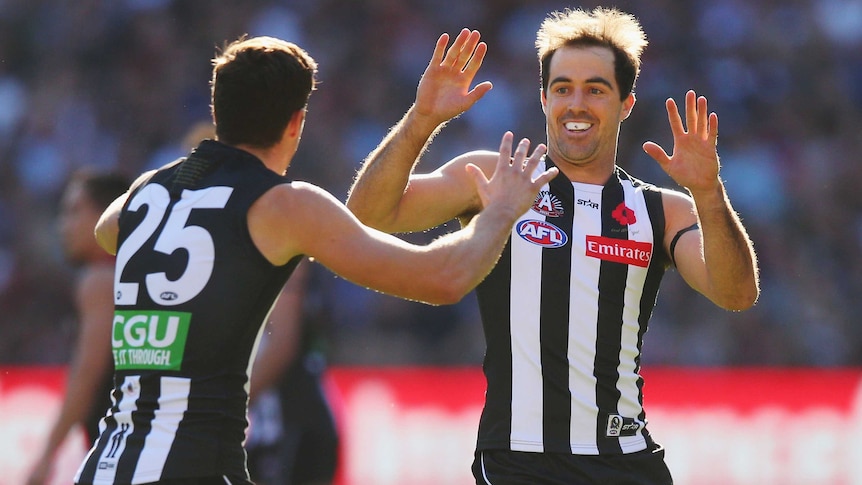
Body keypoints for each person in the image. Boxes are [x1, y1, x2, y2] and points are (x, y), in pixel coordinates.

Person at [73, 35, 557, 485]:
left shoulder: (148, 192)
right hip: (191, 466)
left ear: (219, 112)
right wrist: (499, 212)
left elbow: (106, 231)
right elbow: (445, 278)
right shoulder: (286, 205)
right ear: (295, 123)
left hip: (105, 465)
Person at [346, 9, 760, 485]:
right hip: (521, 460)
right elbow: (368, 215)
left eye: (595, 89)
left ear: (625, 103)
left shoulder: (663, 211)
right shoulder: (496, 176)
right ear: (544, 99)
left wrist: (709, 193)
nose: (576, 103)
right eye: (562, 88)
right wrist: (421, 120)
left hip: (626, 458)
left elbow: (736, 294)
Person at [27, 169, 130, 485]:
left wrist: (48, 453)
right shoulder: (139, 272)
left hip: (118, 449)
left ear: (107, 216)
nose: (63, 226)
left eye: (74, 212)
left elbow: (88, 373)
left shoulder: (100, 280)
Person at [245, 261, 339, 485]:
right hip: (279, 422)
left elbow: (282, 346)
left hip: (290, 424)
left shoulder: (280, 247)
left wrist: (224, 404)